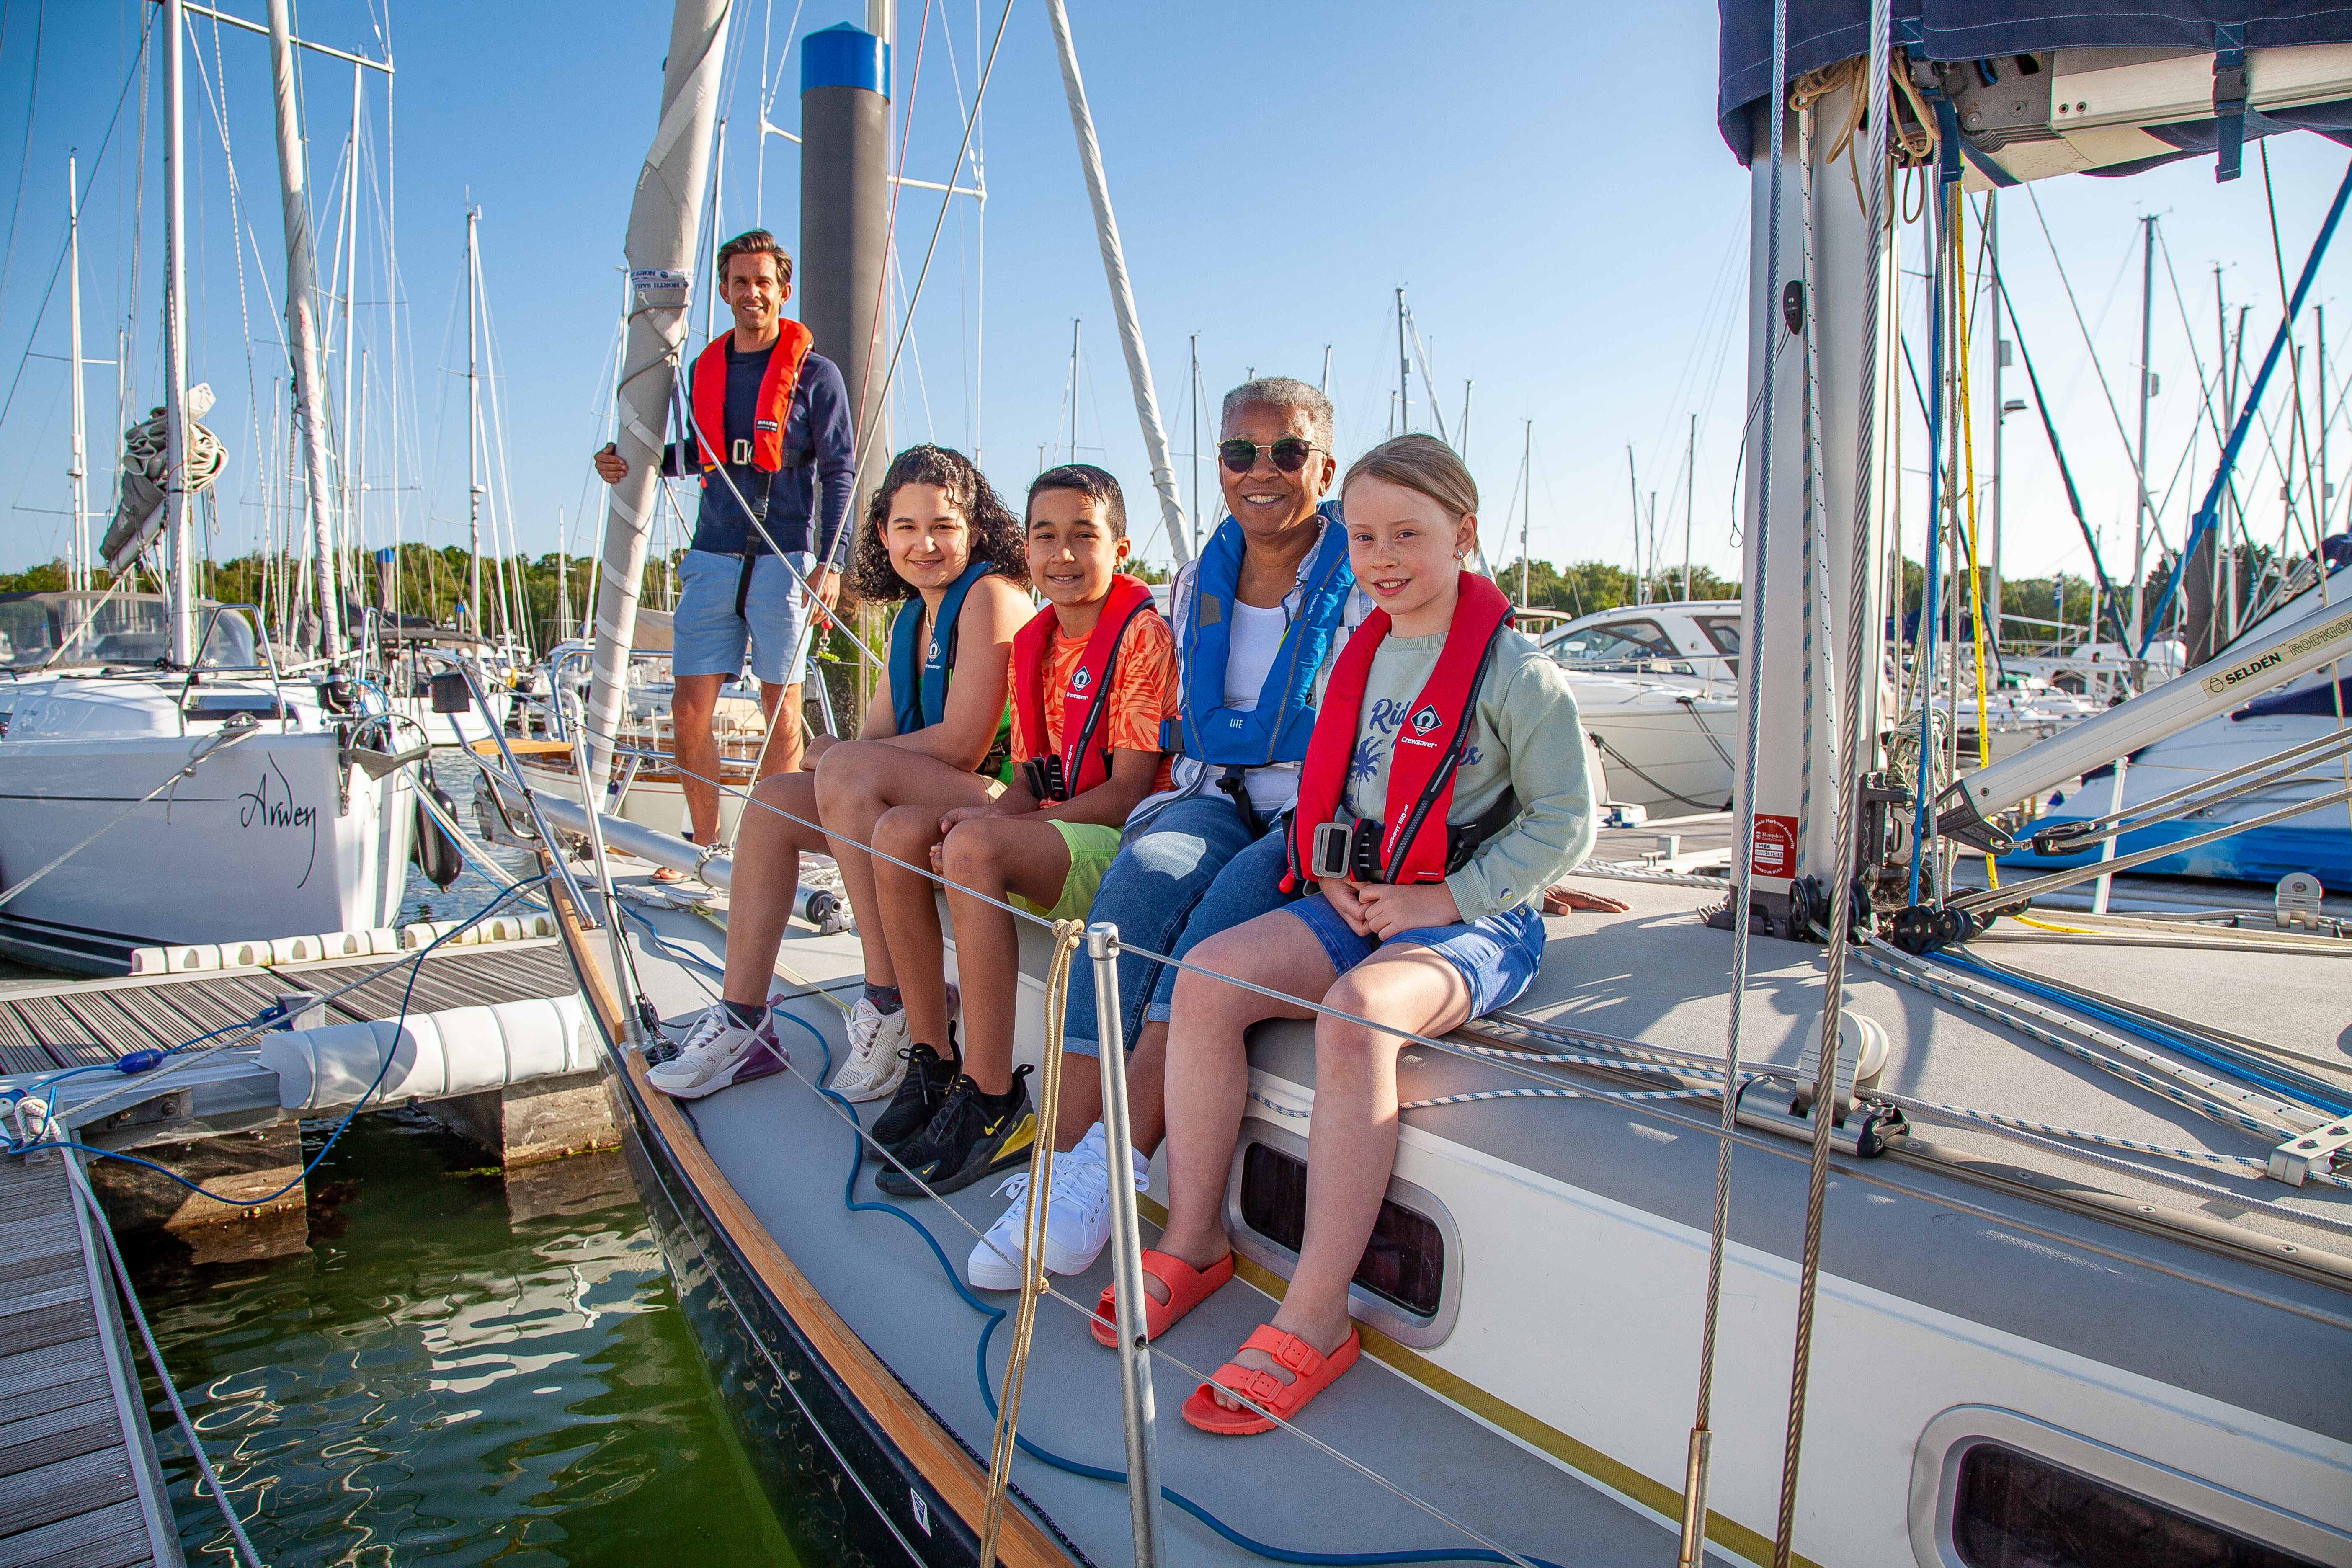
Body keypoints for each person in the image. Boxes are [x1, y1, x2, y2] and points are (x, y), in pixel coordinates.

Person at [1134, 435, 1596, 1434]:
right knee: (1209, 978)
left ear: (1464, 535)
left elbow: (1567, 822)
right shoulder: (1365, 652)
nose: (1382, 557)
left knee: (1356, 1015)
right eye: (1364, 537)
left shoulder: (1519, 673)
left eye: (1408, 535)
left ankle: (1315, 1311)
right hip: (1363, 893)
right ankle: (1198, 1232)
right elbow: (1332, 789)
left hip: (1479, 916)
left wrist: (1450, 899)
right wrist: (1334, 870)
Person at [965, 377, 1374, 1284]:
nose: (1260, 471)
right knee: (1129, 899)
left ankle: (1109, 1171)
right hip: (1211, 795)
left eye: (1287, 452)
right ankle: (1060, 1168)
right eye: (1239, 452)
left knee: (1210, 929)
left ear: (1326, 465)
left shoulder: (1370, 568)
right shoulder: (1199, 580)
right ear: (1217, 465)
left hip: (1314, 815)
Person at [645, 444, 1028, 1101]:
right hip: (930, 788)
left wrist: (841, 756)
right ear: (883, 534)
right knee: (771, 800)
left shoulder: (990, 597)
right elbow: (874, 740)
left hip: (997, 800)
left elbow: (965, 745)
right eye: (906, 528)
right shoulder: (913, 615)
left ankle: (890, 997)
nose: (925, 544)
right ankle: (746, 1021)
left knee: (844, 769)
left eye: (944, 526)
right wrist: (841, 756)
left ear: (977, 528)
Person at [856, 465, 1177, 1212]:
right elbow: (1032, 779)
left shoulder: (1142, 636)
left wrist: (1000, 834)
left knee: (971, 849)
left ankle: (995, 1099)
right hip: (1057, 823)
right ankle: (933, 1060)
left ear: (1120, 548)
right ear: (1025, 551)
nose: (1063, 553)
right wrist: (996, 816)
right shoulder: (1034, 641)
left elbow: (1128, 793)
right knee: (902, 830)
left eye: (1083, 536)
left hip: (1123, 842)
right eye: (1046, 537)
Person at [592, 229, 854, 865]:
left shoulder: (816, 376)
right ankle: (703, 849)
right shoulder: (702, 371)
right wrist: (627, 459)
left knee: (781, 712)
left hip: (784, 554)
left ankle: (769, 857)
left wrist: (833, 562)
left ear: (782, 291)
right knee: (689, 709)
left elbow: (839, 468)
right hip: (713, 555)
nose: (751, 293)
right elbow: (694, 454)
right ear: (724, 289)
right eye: (740, 282)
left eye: (763, 283)